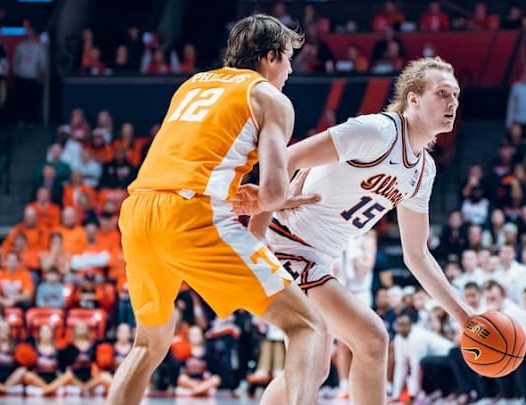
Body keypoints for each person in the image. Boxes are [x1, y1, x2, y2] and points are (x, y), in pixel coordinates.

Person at [106, 15, 329, 405]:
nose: (291, 69)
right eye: (290, 58)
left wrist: (243, 196)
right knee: (308, 326)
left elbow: (193, 156)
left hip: (138, 210)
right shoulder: (269, 97)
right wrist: (267, 197)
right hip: (190, 216)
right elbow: (276, 190)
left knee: (148, 344)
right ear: (272, 56)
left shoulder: (191, 84)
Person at [240, 57, 475, 405]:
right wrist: (255, 237)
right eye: (442, 94)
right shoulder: (376, 132)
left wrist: (464, 317)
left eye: (455, 95)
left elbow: (417, 254)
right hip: (286, 244)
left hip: (316, 258)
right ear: (413, 99)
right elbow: (286, 158)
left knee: (317, 365)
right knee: (370, 339)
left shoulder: (423, 171)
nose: (452, 103)